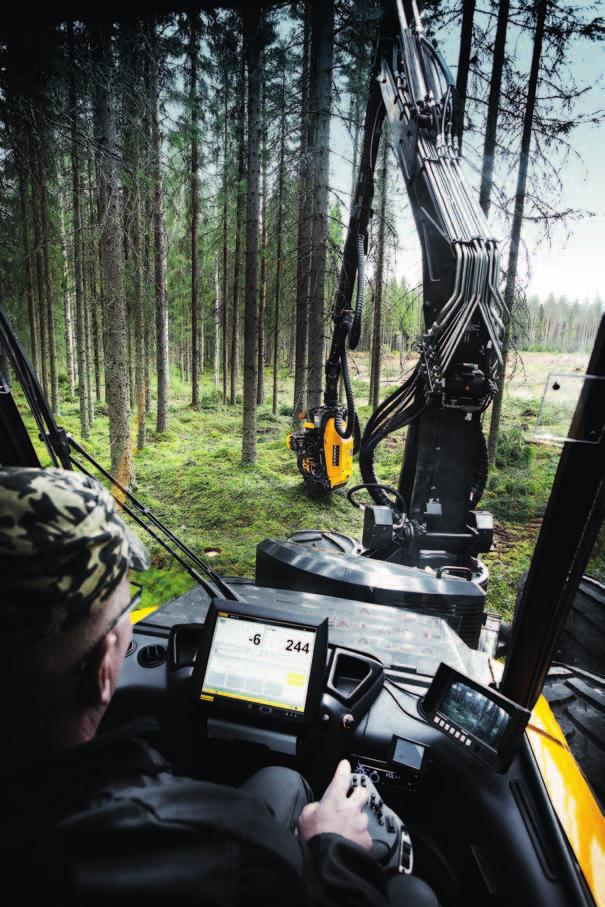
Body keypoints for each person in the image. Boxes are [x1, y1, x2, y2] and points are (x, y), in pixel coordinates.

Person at [0, 467, 437, 906]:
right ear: (101, 668)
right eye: (127, 611)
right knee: (412, 893)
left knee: (281, 780)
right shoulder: (227, 849)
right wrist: (332, 846)